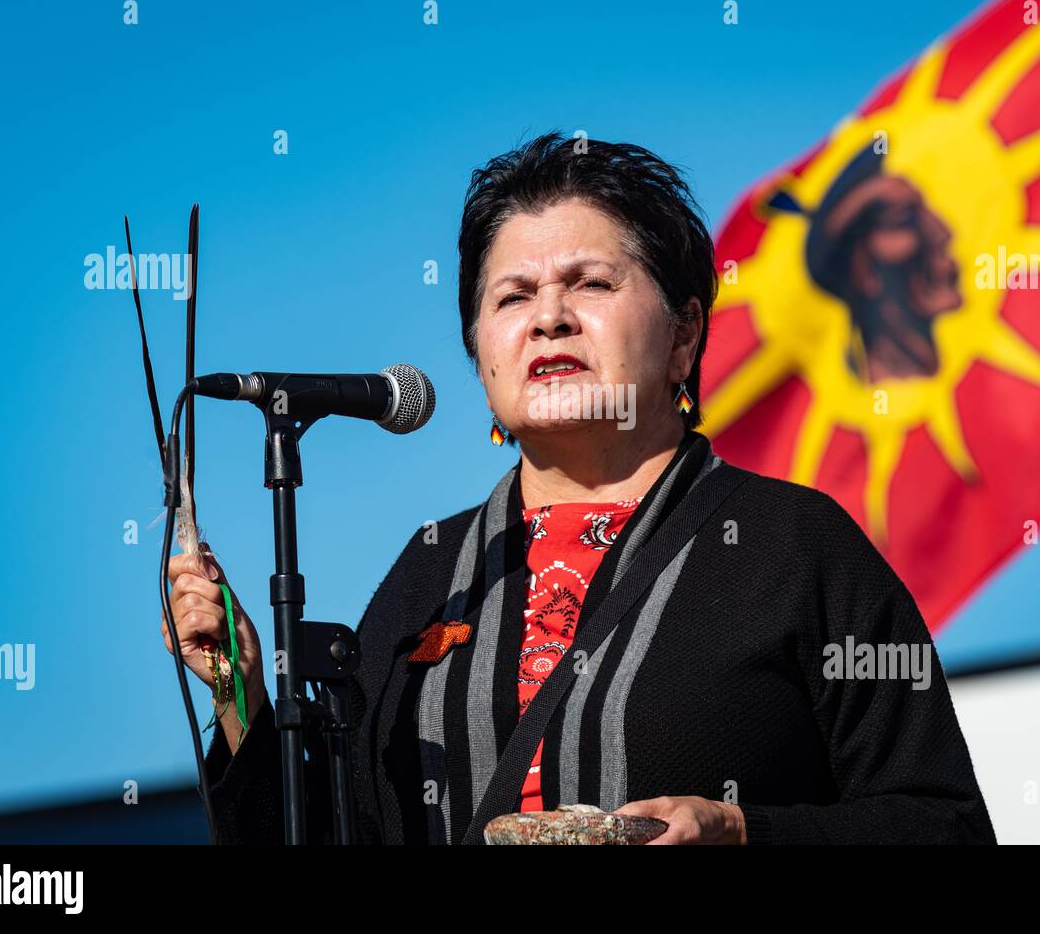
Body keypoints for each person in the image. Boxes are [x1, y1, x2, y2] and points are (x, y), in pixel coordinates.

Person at [165, 132, 996, 845]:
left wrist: (746, 830)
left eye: (591, 284)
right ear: (479, 353)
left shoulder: (795, 544)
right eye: (513, 296)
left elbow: (946, 827)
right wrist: (239, 688)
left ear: (683, 335)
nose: (549, 316)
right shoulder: (428, 572)